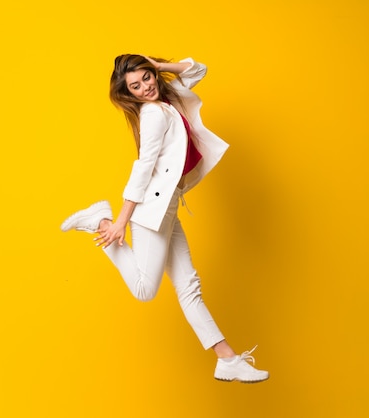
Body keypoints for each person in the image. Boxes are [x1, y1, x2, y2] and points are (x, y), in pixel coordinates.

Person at [60, 54, 268, 383]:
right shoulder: (154, 113)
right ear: (127, 92)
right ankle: (100, 222)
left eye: (146, 78)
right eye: (136, 86)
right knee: (145, 289)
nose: (145, 88)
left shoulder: (167, 101)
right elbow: (143, 168)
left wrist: (160, 68)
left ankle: (226, 359)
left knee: (188, 287)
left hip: (167, 205)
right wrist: (120, 222)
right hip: (151, 209)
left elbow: (198, 70)